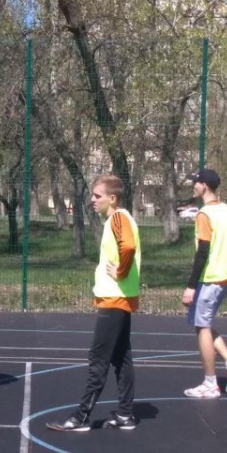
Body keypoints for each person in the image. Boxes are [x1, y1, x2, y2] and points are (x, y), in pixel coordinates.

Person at [46, 175, 141, 432]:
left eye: (97, 196)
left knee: (98, 358)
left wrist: (120, 271)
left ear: (112, 198)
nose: (92, 200)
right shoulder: (117, 219)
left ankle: (81, 417)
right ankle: (125, 414)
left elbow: (129, 246)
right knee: (121, 357)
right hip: (119, 297)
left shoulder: (119, 218)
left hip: (115, 298)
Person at [181, 168, 227, 398]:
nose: (193, 186)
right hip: (224, 277)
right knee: (204, 324)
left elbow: (203, 252)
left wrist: (190, 285)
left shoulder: (205, 214)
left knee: (202, 327)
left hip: (210, 278)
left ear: (204, 186)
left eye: (195, 182)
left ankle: (210, 384)